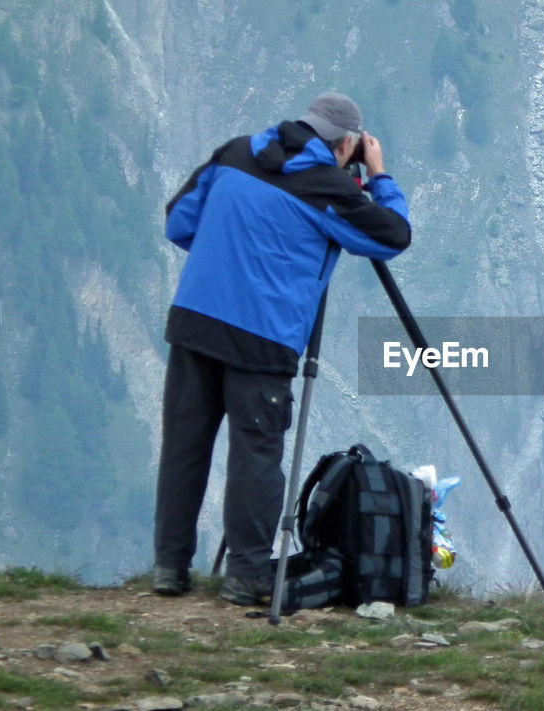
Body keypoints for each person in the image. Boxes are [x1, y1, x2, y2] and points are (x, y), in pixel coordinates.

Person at [152, 93, 411, 604]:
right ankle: (246, 575)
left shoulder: (235, 152)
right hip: (262, 336)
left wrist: (231, 256)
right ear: (347, 147)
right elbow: (392, 235)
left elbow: (179, 222)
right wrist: (378, 175)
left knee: (185, 446)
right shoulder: (327, 188)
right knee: (256, 454)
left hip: (195, 320)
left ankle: (169, 568)